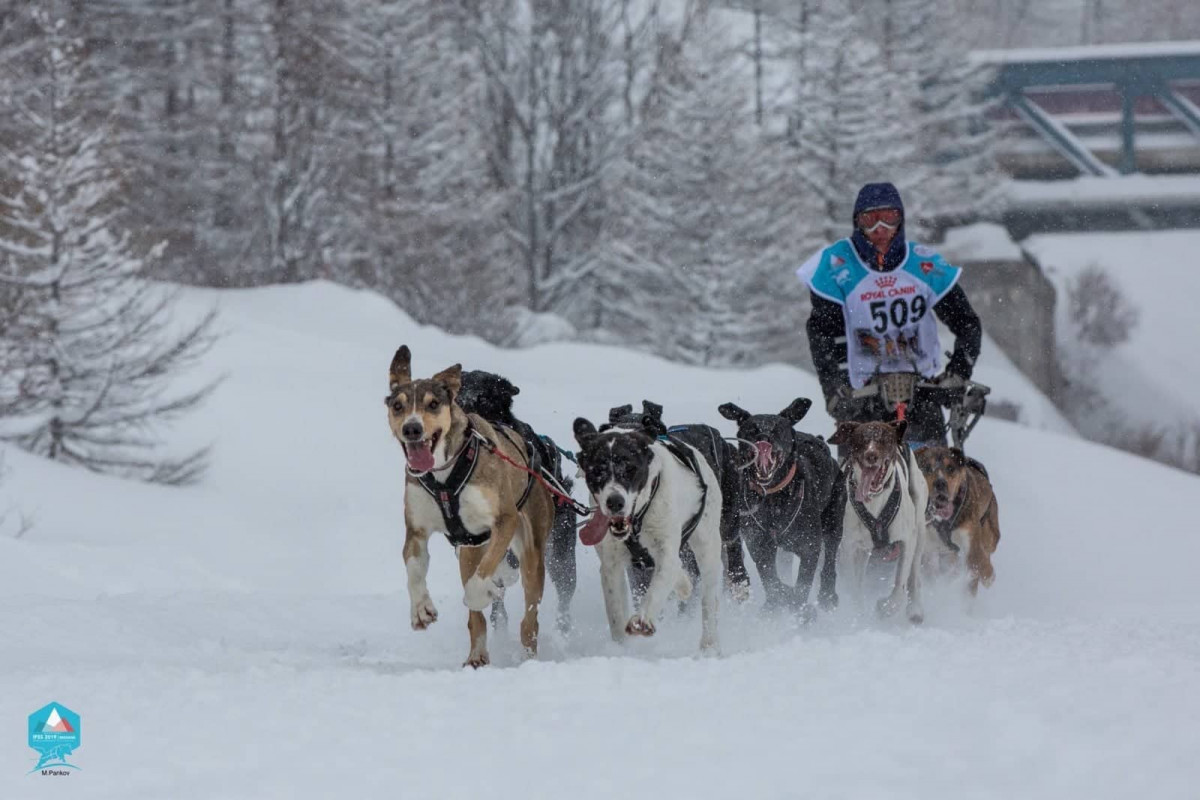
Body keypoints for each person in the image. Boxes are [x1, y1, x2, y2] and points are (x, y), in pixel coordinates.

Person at [797, 182, 982, 449]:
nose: (880, 229)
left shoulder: (924, 264)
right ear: (857, 223)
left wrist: (959, 372)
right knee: (862, 473)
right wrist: (834, 390)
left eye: (889, 218)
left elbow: (967, 323)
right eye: (870, 220)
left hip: (922, 395)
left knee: (931, 473)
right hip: (863, 398)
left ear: (901, 220)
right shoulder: (836, 267)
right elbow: (822, 334)